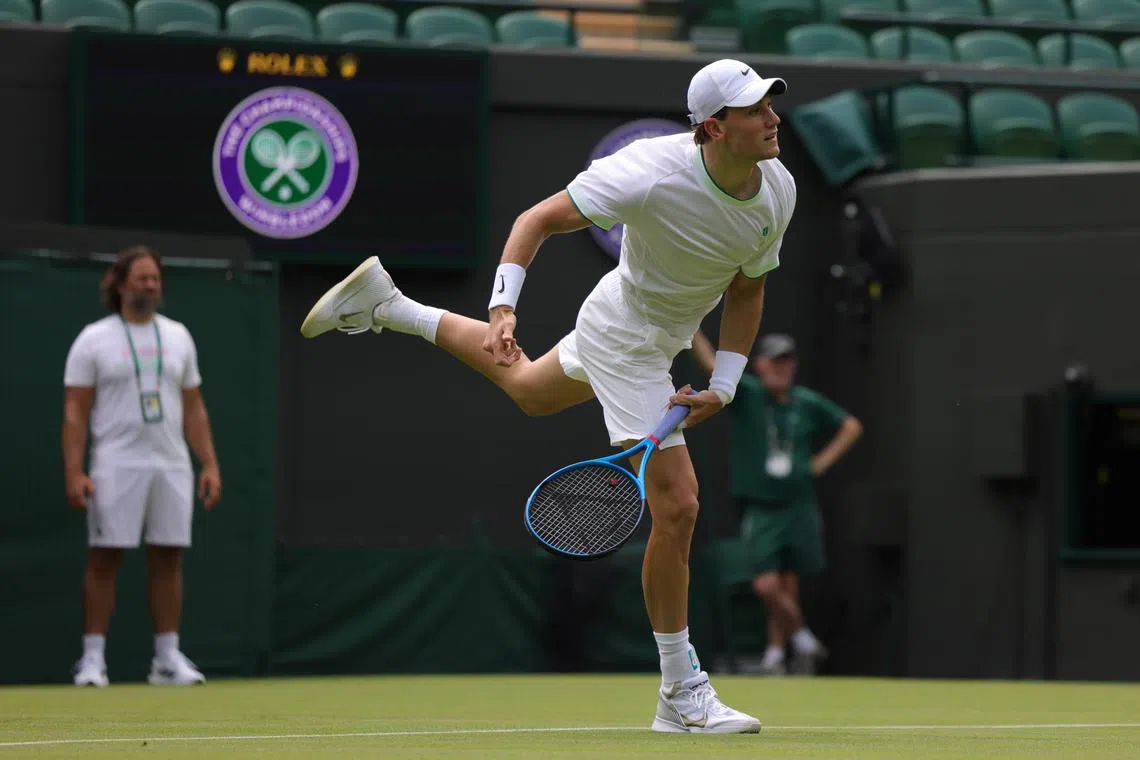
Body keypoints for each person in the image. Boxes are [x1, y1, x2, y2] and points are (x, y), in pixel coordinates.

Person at [300, 58, 795, 733]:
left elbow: (747, 287)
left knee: (530, 390)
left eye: (772, 104)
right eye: (755, 110)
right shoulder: (646, 172)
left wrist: (726, 385)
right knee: (678, 506)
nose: (772, 118)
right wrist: (504, 308)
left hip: (651, 333)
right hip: (626, 335)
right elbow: (536, 220)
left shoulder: (779, 190)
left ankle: (390, 306)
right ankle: (681, 691)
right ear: (713, 127)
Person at [63, 246, 222, 687]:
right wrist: (75, 471)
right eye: (142, 278)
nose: (150, 286)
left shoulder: (178, 336)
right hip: (116, 463)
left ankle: (167, 659)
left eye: (155, 279)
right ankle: (92, 660)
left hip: (171, 463)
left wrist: (208, 462)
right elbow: (75, 411)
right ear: (119, 284)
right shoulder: (93, 339)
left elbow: (194, 408)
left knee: (169, 556)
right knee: (105, 557)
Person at [690, 330, 862, 676]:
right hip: (761, 505)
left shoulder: (806, 402)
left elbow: (851, 427)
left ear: (793, 365)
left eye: (786, 361)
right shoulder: (749, 395)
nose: (779, 368)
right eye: (773, 361)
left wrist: (819, 464)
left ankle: (775, 655)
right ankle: (802, 638)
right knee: (766, 585)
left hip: (798, 503)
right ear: (760, 365)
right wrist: (691, 329)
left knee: (788, 585)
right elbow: (711, 363)